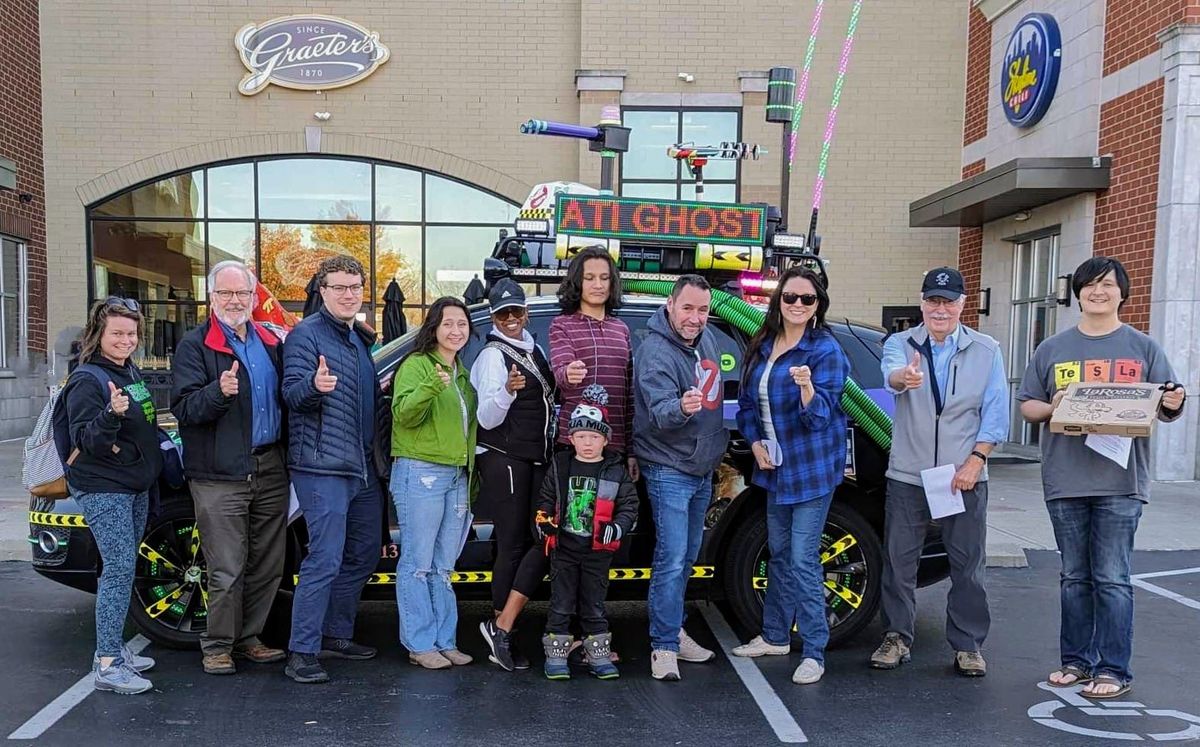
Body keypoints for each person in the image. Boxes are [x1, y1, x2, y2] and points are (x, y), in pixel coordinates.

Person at [1017, 256, 1186, 699]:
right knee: (1074, 577)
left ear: (1122, 293)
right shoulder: (1053, 348)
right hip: (1065, 479)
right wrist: (1057, 405)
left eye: (1108, 285)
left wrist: (1174, 401)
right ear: (1077, 293)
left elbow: (1168, 404)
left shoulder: (1142, 348)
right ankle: (1076, 662)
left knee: (1112, 577)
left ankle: (1113, 669)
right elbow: (1028, 405)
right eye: (1090, 285)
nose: (1098, 292)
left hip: (1121, 483)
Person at [870, 266, 1009, 677]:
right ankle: (897, 636)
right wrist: (905, 377)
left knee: (967, 564)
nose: (940, 308)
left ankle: (968, 646)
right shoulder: (900, 343)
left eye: (948, 301)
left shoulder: (987, 350)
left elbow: (995, 415)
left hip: (962, 476)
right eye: (933, 300)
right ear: (922, 302)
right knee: (899, 562)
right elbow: (891, 376)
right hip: (909, 475)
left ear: (963, 304)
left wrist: (975, 461)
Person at [730, 266, 850, 685]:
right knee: (778, 554)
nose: (798, 305)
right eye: (790, 297)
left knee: (802, 559)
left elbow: (821, 418)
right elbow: (747, 405)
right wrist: (757, 443)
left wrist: (807, 390)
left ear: (818, 306)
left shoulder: (824, 351)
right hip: (775, 468)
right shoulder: (763, 345)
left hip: (813, 468)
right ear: (778, 301)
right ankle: (776, 636)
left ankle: (815, 651)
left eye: (807, 299)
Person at [172, 261, 288, 676]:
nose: (235, 301)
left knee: (268, 563)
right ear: (212, 298)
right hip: (219, 475)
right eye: (226, 293)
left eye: (242, 293)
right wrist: (217, 392)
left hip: (270, 466)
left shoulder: (269, 341)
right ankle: (218, 645)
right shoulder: (195, 345)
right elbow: (184, 408)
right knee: (226, 567)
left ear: (254, 297)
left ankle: (249, 638)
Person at [281, 255, 384, 684]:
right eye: (339, 287)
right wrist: (313, 386)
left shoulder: (355, 338)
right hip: (321, 466)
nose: (348, 294)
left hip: (360, 468)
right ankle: (301, 652)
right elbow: (291, 393)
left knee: (362, 555)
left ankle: (335, 634)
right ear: (321, 291)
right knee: (324, 558)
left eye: (355, 287)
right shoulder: (306, 336)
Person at [64, 297, 161, 694]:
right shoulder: (88, 380)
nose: (126, 340)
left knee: (119, 569)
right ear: (99, 335)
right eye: (117, 333)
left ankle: (114, 648)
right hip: (105, 487)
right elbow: (84, 440)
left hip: (131, 483)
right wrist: (110, 415)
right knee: (120, 570)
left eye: (132, 333)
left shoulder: (127, 371)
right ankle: (106, 663)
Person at [633, 274, 727, 681]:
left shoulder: (704, 339)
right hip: (668, 466)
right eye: (687, 308)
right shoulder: (655, 351)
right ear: (670, 305)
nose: (695, 317)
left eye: (702, 309)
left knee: (687, 557)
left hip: (701, 467)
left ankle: (674, 631)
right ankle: (663, 646)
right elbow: (660, 413)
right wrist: (682, 408)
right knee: (671, 560)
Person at [472, 279, 557, 672]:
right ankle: (500, 629)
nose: (510, 319)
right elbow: (486, 417)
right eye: (502, 314)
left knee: (536, 540)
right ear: (493, 317)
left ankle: (503, 625)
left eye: (516, 312)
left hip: (532, 457)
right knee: (512, 543)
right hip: (504, 456)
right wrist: (506, 390)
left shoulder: (533, 348)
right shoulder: (492, 356)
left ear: (526, 313)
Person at [390, 296, 478, 670]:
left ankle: (445, 640)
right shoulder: (417, 365)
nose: (456, 330)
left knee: (444, 566)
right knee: (417, 563)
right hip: (421, 472)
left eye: (461, 323)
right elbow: (403, 415)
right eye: (448, 324)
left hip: (457, 475)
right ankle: (420, 643)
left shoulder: (461, 370)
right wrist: (429, 386)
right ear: (434, 328)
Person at [537, 386, 639, 680]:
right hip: (564, 549)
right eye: (581, 436)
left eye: (594, 437)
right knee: (561, 602)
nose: (587, 442)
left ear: (605, 439)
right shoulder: (561, 465)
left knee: (593, 603)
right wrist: (543, 520)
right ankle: (556, 655)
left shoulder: (615, 470)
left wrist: (617, 527)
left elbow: (629, 506)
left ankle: (598, 654)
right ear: (571, 438)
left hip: (597, 551)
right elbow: (545, 497)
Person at [549, 246, 637, 480]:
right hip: (577, 444)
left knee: (613, 514)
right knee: (575, 514)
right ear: (577, 282)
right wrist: (569, 373)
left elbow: (629, 397)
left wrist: (631, 451)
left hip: (615, 445)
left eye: (604, 278)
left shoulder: (621, 329)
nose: (598, 285)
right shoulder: (562, 325)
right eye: (589, 278)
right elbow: (559, 370)